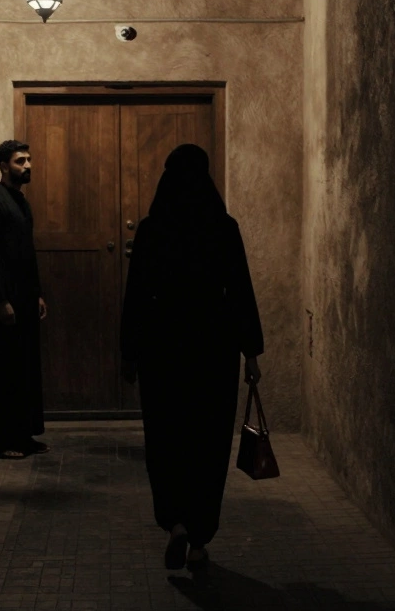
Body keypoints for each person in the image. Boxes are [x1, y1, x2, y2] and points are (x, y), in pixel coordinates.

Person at [120, 143, 264, 570]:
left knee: (165, 439)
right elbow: (240, 291)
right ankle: (200, 538)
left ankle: (176, 523)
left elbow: (136, 299)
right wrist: (251, 353)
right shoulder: (223, 227)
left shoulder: (151, 229)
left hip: (162, 348)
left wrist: (129, 352)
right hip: (212, 349)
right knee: (208, 442)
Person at [0, 140, 50, 460]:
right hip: (5, 301)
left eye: (29, 160)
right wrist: (0, 299)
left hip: (24, 298)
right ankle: (3, 440)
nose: (28, 165)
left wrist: (37, 294)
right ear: (4, 165)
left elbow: (26, 253)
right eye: (21, 161)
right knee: (5, 369)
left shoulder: (20, 201)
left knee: (25, 368)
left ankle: (23, 435)